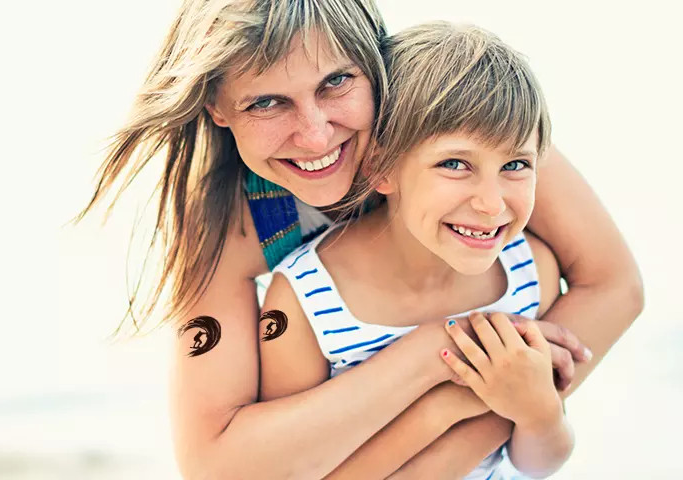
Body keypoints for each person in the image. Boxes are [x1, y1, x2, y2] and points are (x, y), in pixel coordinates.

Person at [77, 1, 642, 478]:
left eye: (337, 82)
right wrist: (441, 360)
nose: (316, 134)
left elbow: (613, 284)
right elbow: (218, 464)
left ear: (374, 61)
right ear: (217, 107)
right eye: (266, 102)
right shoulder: (229, 224)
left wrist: (514, 402)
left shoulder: (459, 122)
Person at [258, 21, 573, 479]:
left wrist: (539, 412)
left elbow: (539, 462)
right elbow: (296, 465)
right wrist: (445, 407)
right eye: (455, 164)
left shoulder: (529, 271)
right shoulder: (306, 301)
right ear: (382, 167)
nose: (491, 203)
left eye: (515, 165)